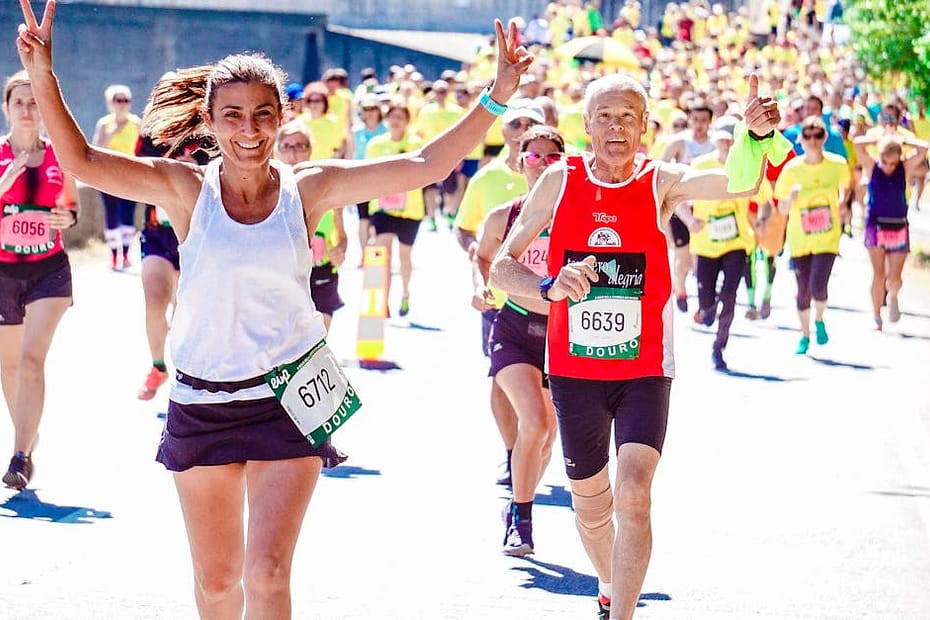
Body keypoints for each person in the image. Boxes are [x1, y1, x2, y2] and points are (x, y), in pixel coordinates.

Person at [15, 4, 530, 617]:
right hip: (203, 401)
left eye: (263, 113)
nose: (250, 130)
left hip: (289, 398)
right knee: (217, 583)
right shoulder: (185, 189)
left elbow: (426, 166)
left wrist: (498, 93)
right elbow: (82, 161)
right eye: (232, 115)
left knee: (267, 573)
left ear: (282, 115)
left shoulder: (309, 188)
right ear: (210, 122)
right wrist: (42, 73)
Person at [489, 73, 780, 619]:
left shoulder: (659, 181)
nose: (616, 127)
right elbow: (501, 268)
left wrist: (755, 137)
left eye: (627, 116)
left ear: (645, 125)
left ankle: (620, 612)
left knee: (634, 492)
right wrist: (549, 286)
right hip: (574, 369)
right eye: (604, 116)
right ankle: (609, 584)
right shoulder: (558, 180)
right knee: (590, 507)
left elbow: (738, 185)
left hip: (644, 367)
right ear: (586, 124)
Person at [473, 124, 563, 555]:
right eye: (534, 156)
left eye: (552, 157)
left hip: (563, 337)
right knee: (536, 423)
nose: (542, 164)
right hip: (514, 328)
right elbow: (483, 257)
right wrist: (481, 287)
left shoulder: (579, 217)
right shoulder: (504, 217)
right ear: (519, 162)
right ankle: (522, 520)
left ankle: (516, 503)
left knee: (546, 438)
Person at [453, 97, 544, 486]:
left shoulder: (558, 176)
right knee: (500, 379)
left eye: (530, 124)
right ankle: (513, 452)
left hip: (547, 301)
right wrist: (477, 251)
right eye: (515, 124)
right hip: (500, 300)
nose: (522, 130)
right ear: (504, 131)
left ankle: (533, 447)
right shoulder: (486, 179)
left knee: (544, 391)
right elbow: (464, 229)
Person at [1, 69, 79, 489]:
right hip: (4, 272)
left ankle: (19, 457)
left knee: (31, 359)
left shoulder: (59, 157)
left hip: (49, 270)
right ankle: (27, 438)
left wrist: (69, 217)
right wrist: (6, 182)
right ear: (6, 109)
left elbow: (71, 207)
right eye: (19, 103)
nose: (27, 110)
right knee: (10, 365)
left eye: (34, 103)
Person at [682, 126, 772, 370]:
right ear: (715, 140)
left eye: (731, 140)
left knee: (730, 297)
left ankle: (719, 347)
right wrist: (690, 220)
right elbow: (679, 196)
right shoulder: (701, 165)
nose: (726, 144)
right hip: (706, 244)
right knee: (707, 305)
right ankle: (707, 310)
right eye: (722, 139)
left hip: (737, 242)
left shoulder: (748, 166)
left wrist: (762, 221)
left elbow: (766, 202)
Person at [135, 132, 214, 401]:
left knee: (185, 309)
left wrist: (192, 164)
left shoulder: (206, 137)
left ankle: (187, 370)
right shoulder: (149, 139)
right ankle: (158, 366)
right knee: (155, 298)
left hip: (194, 234)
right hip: (158, 233)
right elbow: (135, 173)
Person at [773, 115, 851, 354]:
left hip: (827, 237)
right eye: (808, 136)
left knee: (818, 286)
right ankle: (805, 335)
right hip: (800, 238)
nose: (813, 140)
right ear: (801, 139)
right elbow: (782, 208)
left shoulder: (837, 164)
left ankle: (819, 319)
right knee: (803, 290)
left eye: (817, 135)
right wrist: (790, 198)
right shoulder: (792, 169)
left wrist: (842, 203)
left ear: (824, 137)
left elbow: (847, 188)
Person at [275, 121, 348, 330]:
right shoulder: (267, 191)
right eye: (287, 146)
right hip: (283, 277)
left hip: (322, 273)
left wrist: (340, 250)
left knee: (320, 339)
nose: (293, 153)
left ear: (310, 149)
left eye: (300, 146)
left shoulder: (327, 189)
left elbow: (342, 237)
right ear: (277, 150)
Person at [853, 133, 928, 329]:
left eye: (893, 163)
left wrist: (903, 141)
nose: (889, 166)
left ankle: (893, 296)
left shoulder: (904, 167)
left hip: (898, 225)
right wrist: (880, 140)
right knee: (878, 274)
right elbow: (857, 144)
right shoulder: (872, 166)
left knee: (894, 277)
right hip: (876, 225)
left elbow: (923, 148)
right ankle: (876, 315)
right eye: (886, 162)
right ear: (881, 156)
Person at [365, 101, 424, 317]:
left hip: (410, 209)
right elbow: (368, 173)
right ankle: (381, 302)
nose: (396, 121)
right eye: (392, 117)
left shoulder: (417, 143)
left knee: (404, 257)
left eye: (400, 117)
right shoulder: (376, 145)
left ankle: (405, 293)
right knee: (382, 252)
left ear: (407, 121)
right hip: (382, 207)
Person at [660, 100, 716, 313]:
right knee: (683, 256)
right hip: (682, 206)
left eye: (704, 120)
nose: (699, 125)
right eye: (695, 120)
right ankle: (681, 290)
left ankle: (704, 298)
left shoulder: (715, 143)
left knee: (701, 258)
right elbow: (660, 167)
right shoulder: (680, 142)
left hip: (707, 206)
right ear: (690, 120)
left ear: (710, 121)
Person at [91, 83, 140, 270]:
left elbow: (142, 150)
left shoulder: (136, 123)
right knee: (111, 215)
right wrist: (114, 131)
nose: (122, 104)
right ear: (111, 103)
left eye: (126, 100)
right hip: (108, 176)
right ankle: (113, 256)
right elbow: (96, 150)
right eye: (118, 100)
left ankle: (125, 255)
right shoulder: (104, 124)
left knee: (127, 214)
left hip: (131, 176)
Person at [351, 93, 387, 255]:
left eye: (373, 108)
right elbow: (351, 154)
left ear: (379, 110)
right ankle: (364, 255)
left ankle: (378, 255)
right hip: (360, 179)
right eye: (366, 109)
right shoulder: (356, 132)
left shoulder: (386, 130)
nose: (370, 112)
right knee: (363, 218)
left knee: (378, 219)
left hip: (381, 179)